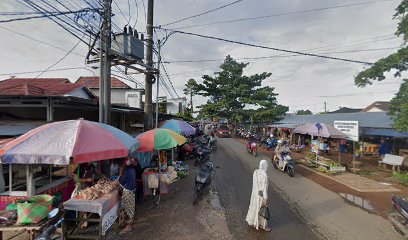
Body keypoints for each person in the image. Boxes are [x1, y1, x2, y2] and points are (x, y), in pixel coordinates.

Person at [246, 160, 271, 231]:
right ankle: (263, 226)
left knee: (254, 208)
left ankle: (253, 222)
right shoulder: (264, 175)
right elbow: (264, 189)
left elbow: (254, 184)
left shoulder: (255, 172)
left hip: (254, 195)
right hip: (261, 196)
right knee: (262, 211)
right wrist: (265, 199)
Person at [118, 158, 137, 234]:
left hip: (128, 192)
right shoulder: (133, 170)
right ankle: (125, 224)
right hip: (132, 191)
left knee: (127, 208)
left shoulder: (127, 172)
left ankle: (128, 227)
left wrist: (120, 175)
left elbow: (121, 180)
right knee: (130, 208)